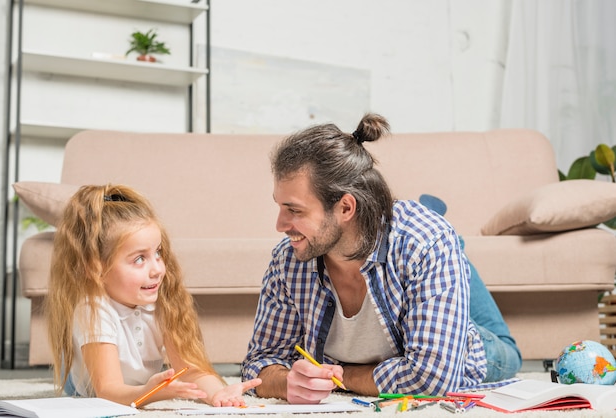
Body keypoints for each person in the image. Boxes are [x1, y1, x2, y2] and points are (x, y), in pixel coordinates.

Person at [241, 113, 522, 403]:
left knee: (509, 353)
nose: (280, 225)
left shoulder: (424, 242)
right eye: (280, 207)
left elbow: (434, 378)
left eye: (295, 210)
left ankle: (453, 250)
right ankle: (449, 250)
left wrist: (340, 377)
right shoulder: (289, 258)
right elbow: (259, 363)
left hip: (469, 335)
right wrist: (287, 382)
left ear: (346, 208)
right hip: (411, 254)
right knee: (432, 248)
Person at [46, 184, 261, 407]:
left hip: (139, 384)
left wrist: (218, 393)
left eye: (158, 253)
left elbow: (190, 372)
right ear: (95, 269)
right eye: (139, 259)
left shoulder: (162, 303)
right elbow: (107, 392)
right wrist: (152, 392)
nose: (157, 269)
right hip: (88, 387)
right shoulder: (94, 310)